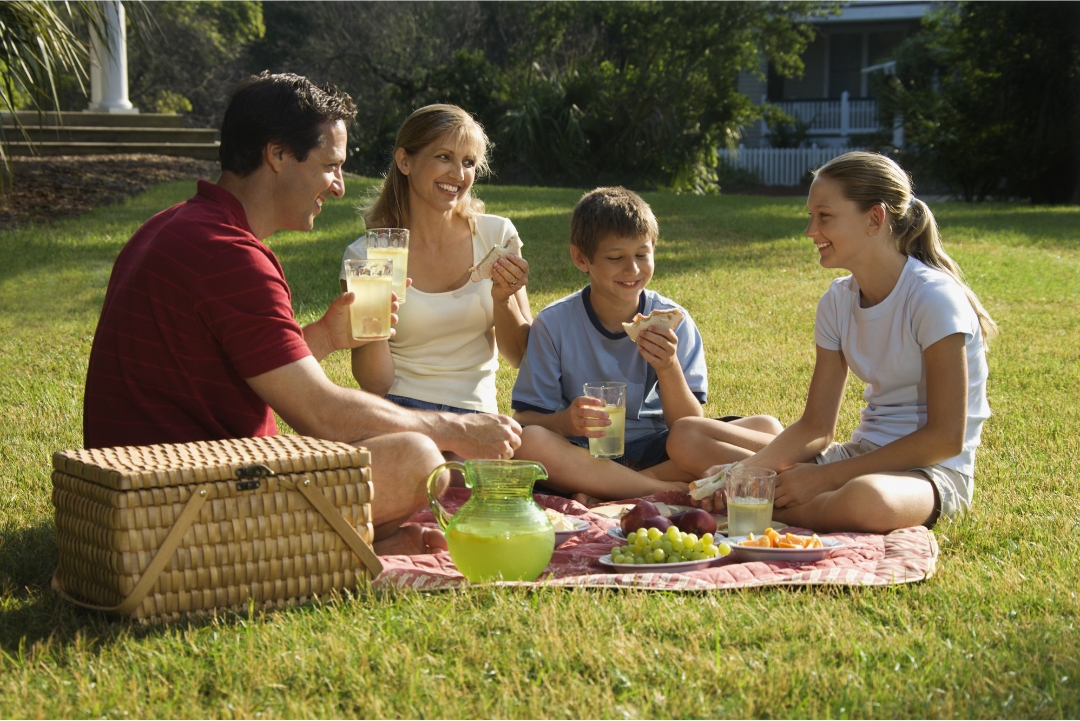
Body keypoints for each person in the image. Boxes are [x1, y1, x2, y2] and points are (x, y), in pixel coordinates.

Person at [83, 72, 522, 555]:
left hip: (132, 494)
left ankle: (356, 542)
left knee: (401, 454)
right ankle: (324, 548)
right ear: (277, 155)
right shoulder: (230, 256)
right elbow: (324, 414)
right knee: (416, 457)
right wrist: (458, 429)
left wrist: (327, 337)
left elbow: (232, 374)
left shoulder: (173, 225)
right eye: (330, 166)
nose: (337, 187)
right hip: (181, 502)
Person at [673, 151, 995, 533]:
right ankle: (762, 497)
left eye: (824, 217)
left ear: (875, 219)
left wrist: (822, 479)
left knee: (867, 501)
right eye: (811, 217)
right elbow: (816, 427)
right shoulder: (837, 301)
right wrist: (749, 470)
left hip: (930, 474)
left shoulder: (932, 298)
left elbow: (945, 438)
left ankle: (761, 504)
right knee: (688, 436)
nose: (811, 231)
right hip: (859, 458)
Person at [510, 186, 776, 502]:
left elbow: (690, 425)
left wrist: (669, 367)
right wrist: (564, 422)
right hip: (585, 451)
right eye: (615, 257)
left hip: (657, 446)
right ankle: (661, 489)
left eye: (642, 254)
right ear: (581, 258)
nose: (632, 269)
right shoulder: (554, 324)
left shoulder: (675, 322)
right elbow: (525, 419)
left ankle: (611, 489)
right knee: (529, 442)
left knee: (767, 427)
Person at [341, 104, 532, 416]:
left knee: (457, 466)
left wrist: (504, 299)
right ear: (405, 161)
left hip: (474, 413)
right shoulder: (366, 255)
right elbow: (374, 385)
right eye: (444, 157)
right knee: (423, 461)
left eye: (468, 162)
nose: (458, 175)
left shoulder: (496, 236)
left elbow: (521, 356)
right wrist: (373, 319)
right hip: (398, 411)